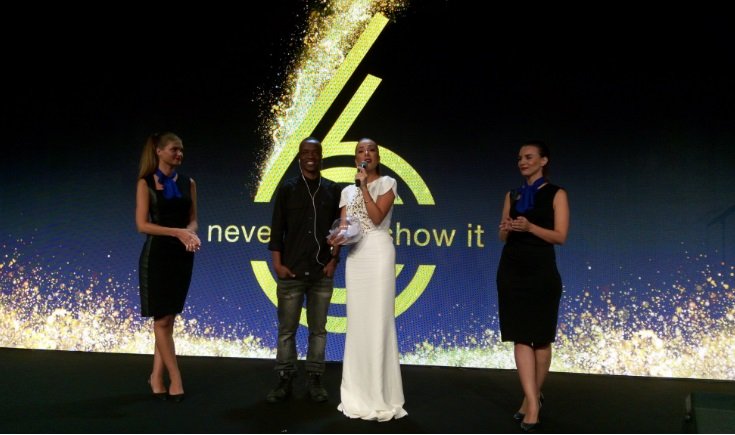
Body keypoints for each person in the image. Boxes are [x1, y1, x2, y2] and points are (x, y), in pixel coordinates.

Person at [330, 138, 407, 421]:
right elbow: (346, 226)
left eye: (371, 150)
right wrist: (336, 240)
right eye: (361, 151)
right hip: (356, 258)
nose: (366, 154)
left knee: (378, 322)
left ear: (378, 157)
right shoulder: (346, 191)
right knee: (358, 324)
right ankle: (357, 393)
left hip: (379, 252)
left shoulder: (387, 183)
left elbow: (375, 218)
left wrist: (363, 187)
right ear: (355, 159)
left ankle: (381, 394)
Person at [496, 140, 569, 432]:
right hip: (512, 269)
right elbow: (503, 236)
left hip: (541, 271)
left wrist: (530, 227)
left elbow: (560, 236)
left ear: (543, 160)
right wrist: (506, 229)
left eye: (528, 157)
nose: (522, 162)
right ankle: (532, 403)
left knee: (541, 338)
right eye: (519, 158)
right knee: (520, 336)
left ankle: (531, 399)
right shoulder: (512, 194)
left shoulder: (557, 193)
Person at [266, 137, 342, 403]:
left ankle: (314, 380)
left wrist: (334, 261)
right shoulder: (288, 189)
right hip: (292, 271)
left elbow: (340, 230)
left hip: (321, 272)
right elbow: (277, 230)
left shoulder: (333, 190)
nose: (310, 156)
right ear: (299, 157)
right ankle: (285, 379)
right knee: (287, 331)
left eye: (315, 152)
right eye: (305, 152)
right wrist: (277, 264)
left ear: (321, 156)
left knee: (318, 331)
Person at [135, 132, 201, 402]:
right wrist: (177, 232)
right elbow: (142, 225)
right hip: (157, 256)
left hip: (182, 256)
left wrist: (190, 233)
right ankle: (176, 379)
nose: (179, 154)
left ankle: (155, 376)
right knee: (161, 320)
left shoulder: (189, 183)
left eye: (181, 150)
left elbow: (193, 220)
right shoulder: (145, 183)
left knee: (168, 320)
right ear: (159, 152)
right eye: (174, 149)